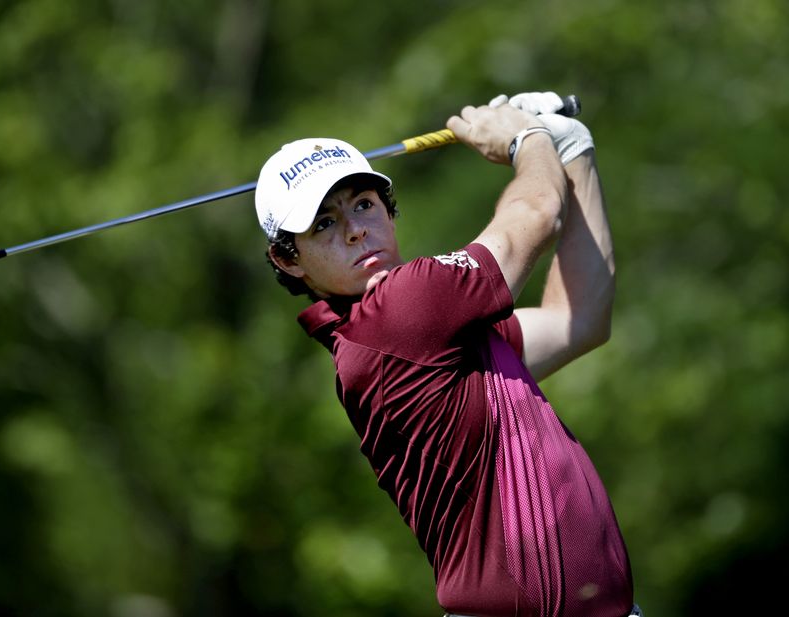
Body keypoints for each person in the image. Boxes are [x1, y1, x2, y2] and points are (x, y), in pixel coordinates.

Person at [254, 92, 641, 617]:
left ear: (388, 211)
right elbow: (536, 212)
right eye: (323, 223)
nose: (354, 229)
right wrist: (524, 139)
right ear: (288, 258)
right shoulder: (399, 312)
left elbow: (579, 321)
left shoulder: (440, 340)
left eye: (363, 204)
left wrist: (572, 153)